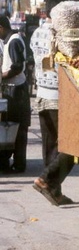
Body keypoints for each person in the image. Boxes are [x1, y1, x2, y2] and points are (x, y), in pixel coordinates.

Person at [30, 0, 74, 205]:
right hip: (58, 96)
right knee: (70, 147)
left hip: (41, 95)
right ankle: (46, 180)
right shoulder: (60, 34)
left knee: (50, 147)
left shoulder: (36, 32)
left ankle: (54, 192)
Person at [0, 15, 31, 173]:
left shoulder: (13, 41)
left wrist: (2, 76)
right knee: (10, 127)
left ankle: (19, 164)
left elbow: (17, 66)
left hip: (17, 91)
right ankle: (8, 162)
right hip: (12, 89)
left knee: (18, 129)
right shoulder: (10, 41)